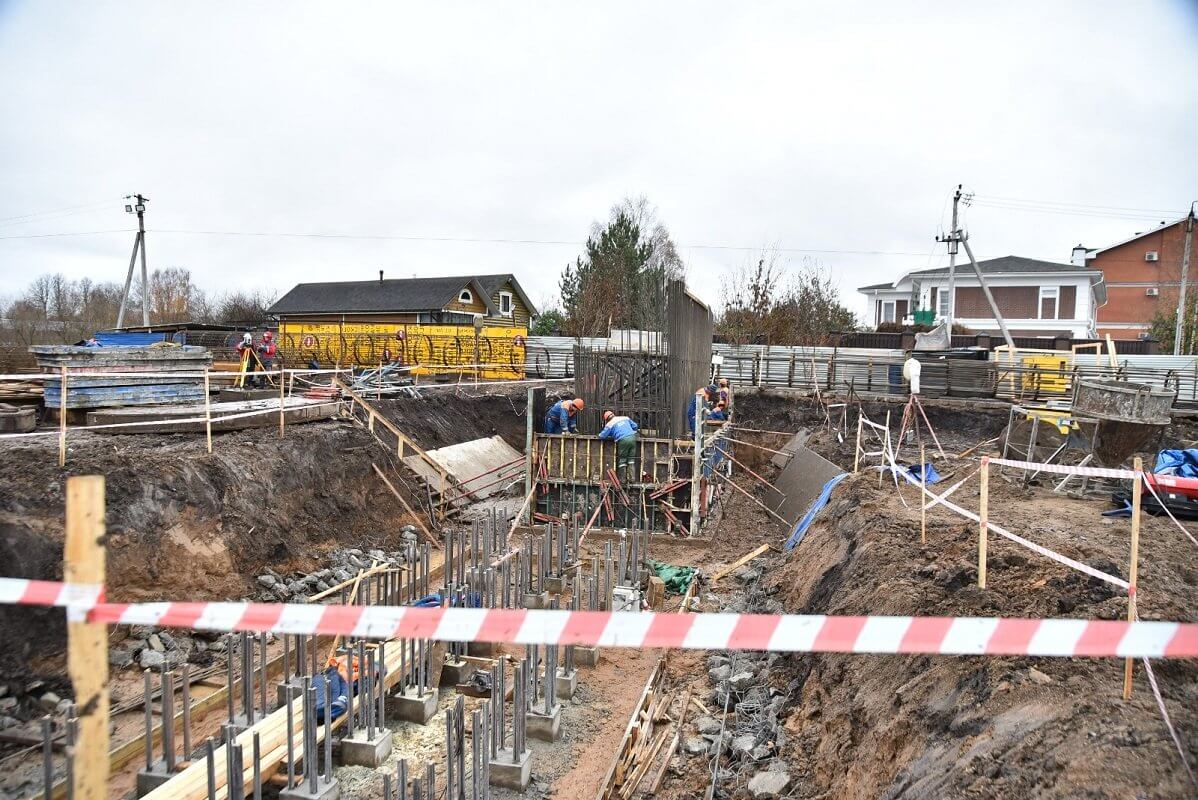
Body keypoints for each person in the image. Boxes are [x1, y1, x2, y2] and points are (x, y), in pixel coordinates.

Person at [598, 410, 639, 483]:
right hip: (632, 438)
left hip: (623, 440)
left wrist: (599, 435)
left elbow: (602, 436)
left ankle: (623, 480)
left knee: (622, 460)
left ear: (607, 419)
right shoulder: (625, 418)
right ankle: (632, 479)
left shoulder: (609, 424)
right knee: (631, 460)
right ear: (613, 414)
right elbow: (635, 426)